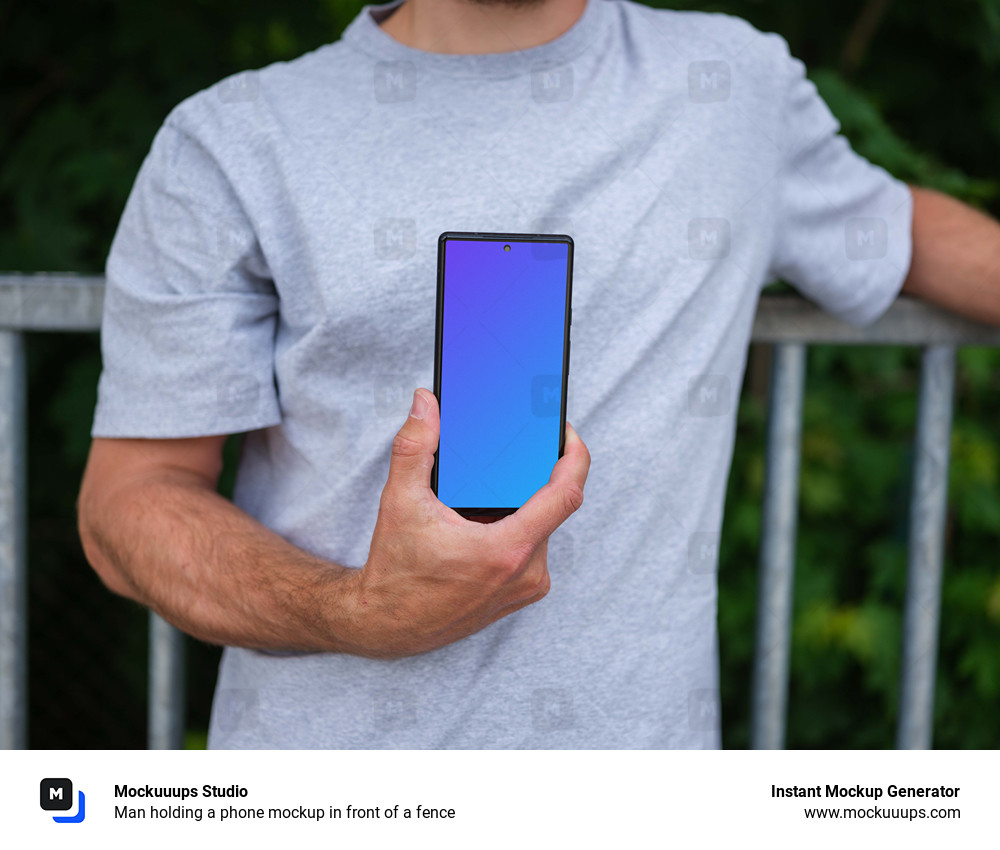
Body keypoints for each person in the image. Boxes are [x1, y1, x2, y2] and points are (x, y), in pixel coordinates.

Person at [77, 0, 1000, 748]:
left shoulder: (733, 89)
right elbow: (129, 504)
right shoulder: (230, 140)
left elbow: (900, 232)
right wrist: (357, 610)